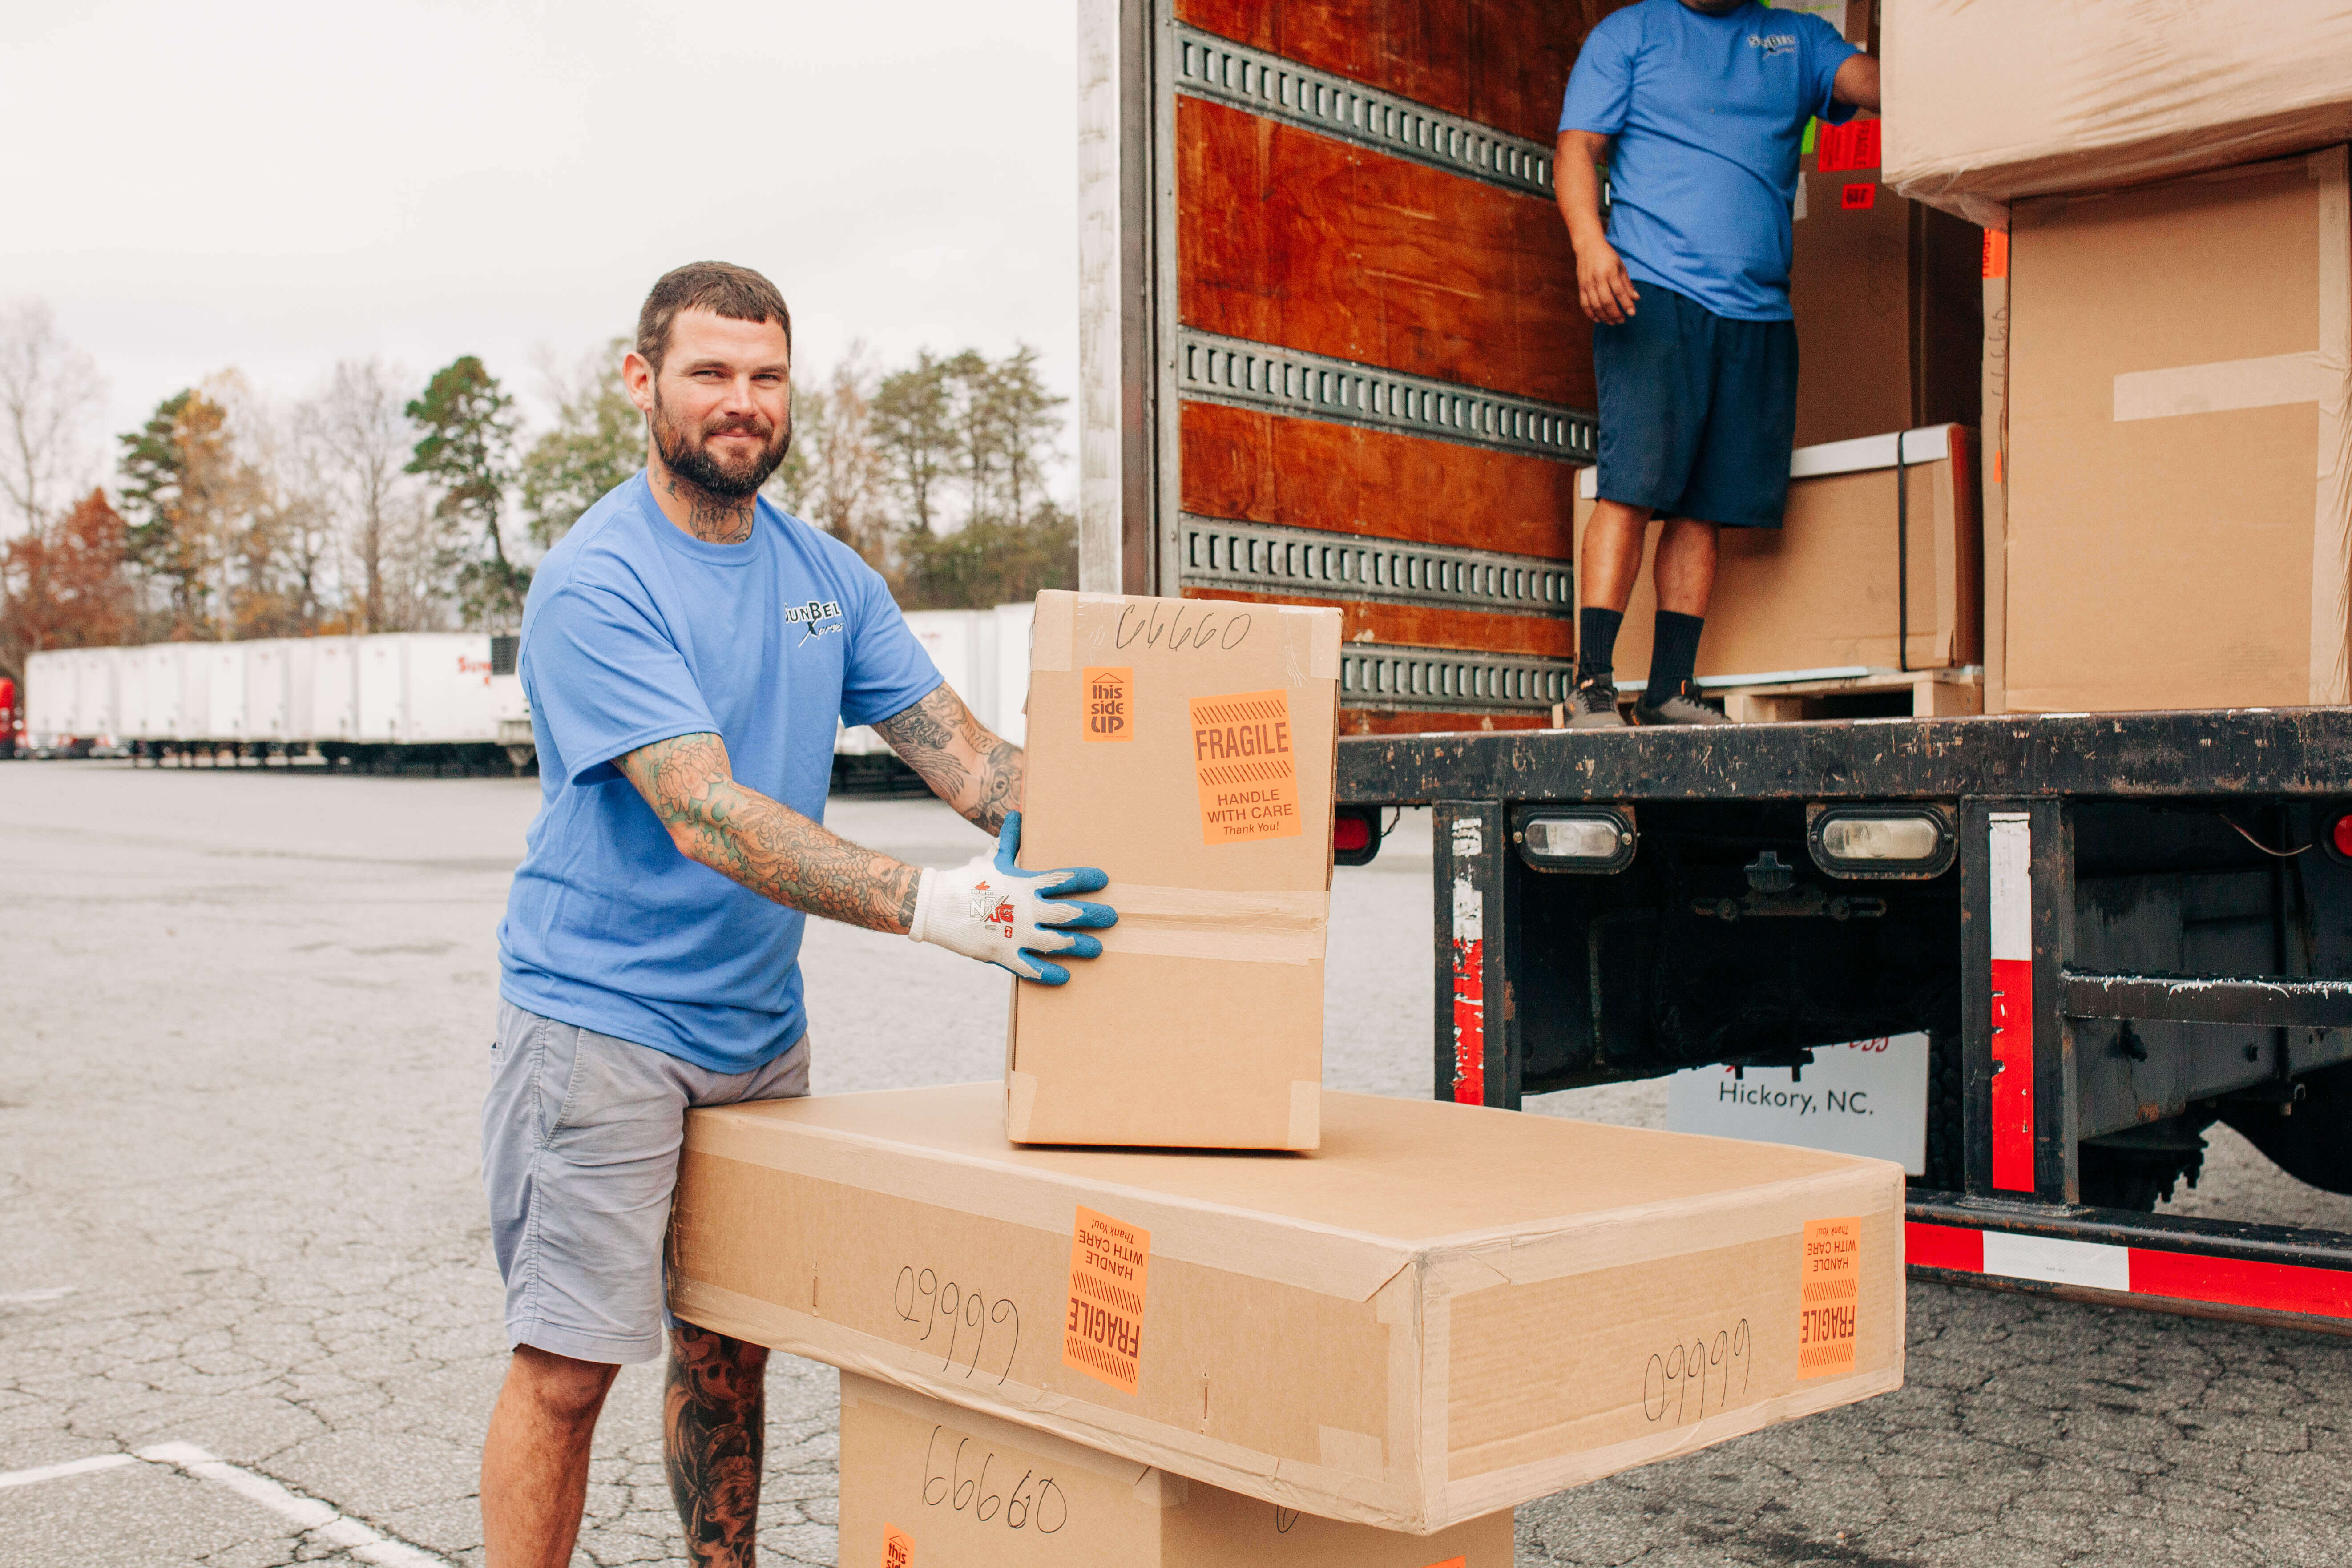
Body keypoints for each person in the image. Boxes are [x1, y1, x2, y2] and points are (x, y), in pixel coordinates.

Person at [477, 261, 1117, 1568]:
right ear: (642, 380)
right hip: (601, 1026)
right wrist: (939, 907)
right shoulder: (598, 579)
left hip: (756, 1032)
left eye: (766, 376)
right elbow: (702, 807)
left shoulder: (827, 574)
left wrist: (1168, 822)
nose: (742, 402)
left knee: (732, 1348)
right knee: (567, 1370)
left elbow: (974, 765)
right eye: (711, 372)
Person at [1555, 0, 1880, 727]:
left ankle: (1672, 688)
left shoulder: (1798, 40)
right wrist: (1588, 242)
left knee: (1708, 506)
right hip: (1652, 294)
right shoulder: (1631, 34)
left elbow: (1877, 83)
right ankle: (1593, 685)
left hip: (1757, 311)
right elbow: (1577, 148)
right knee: (1631, 489)